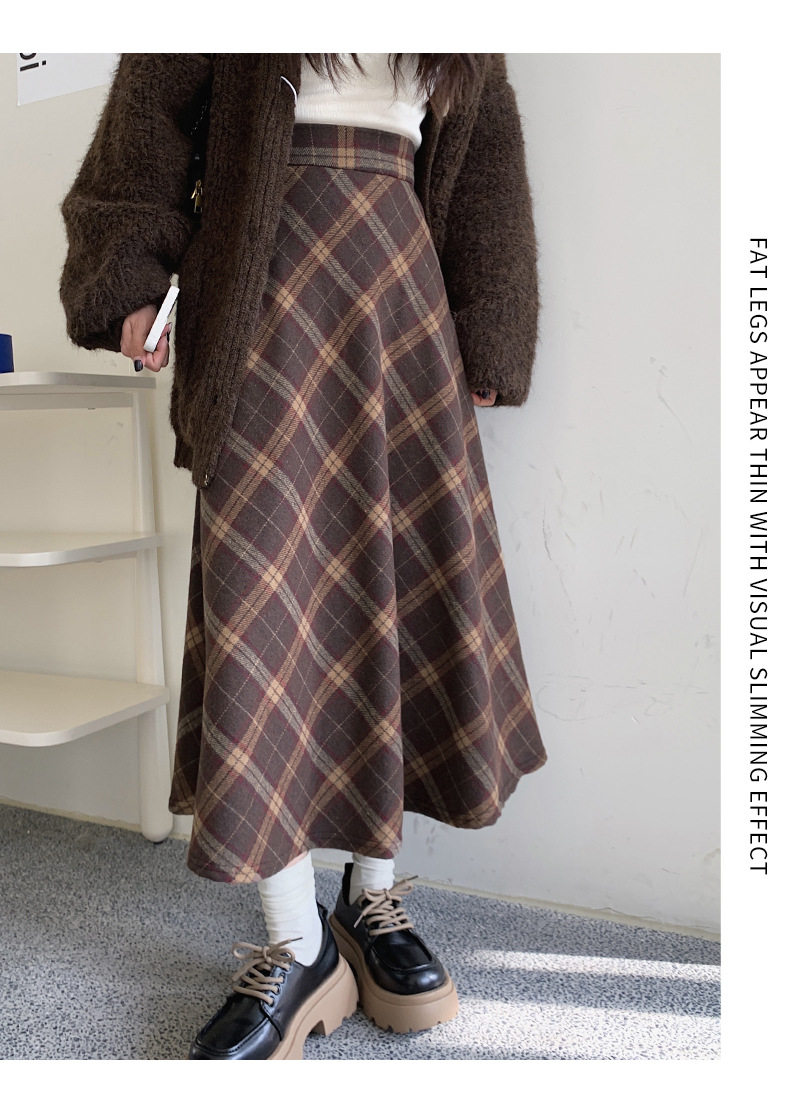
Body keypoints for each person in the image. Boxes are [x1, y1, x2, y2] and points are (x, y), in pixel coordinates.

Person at [59, 52, 547, 1061]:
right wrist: (127, 274)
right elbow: (145, 120)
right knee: (261, 600)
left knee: (401, 593)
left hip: (404, 300)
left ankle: (371, 900)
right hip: (260, 287)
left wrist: (492, 325)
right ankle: (296, 941)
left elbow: (486, 157)